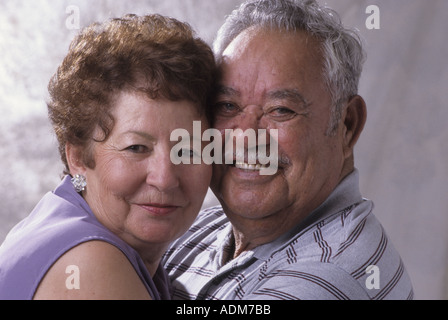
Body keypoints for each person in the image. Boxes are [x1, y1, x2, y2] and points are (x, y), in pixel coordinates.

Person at [163, 0, 414, 300]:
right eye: (227, 106)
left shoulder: (327, 278)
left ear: (347, 124)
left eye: (281, 110)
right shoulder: (202, 227)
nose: (245, 137)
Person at [0, 14, 215, 300]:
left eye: (187, 150)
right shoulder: (90, 266)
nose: (164, 179)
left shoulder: (66, 225)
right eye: (136, 148)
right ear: (77, 157)